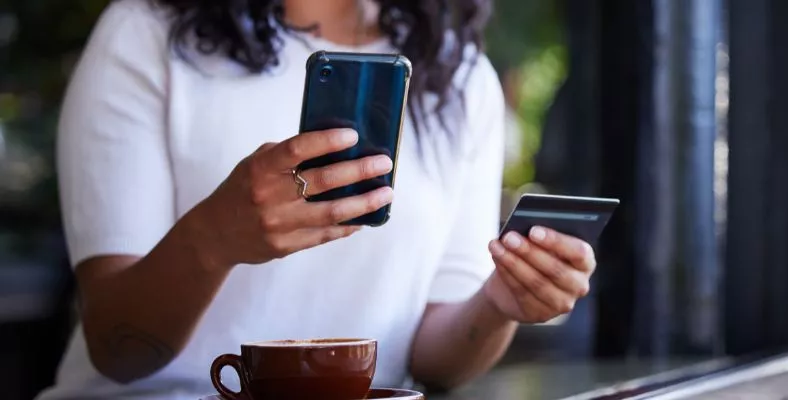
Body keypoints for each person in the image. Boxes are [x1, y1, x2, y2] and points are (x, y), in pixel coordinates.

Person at [37, 0, 597, 398]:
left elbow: (434, 360)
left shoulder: (459, 77)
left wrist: (500, 304)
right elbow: (118, 350)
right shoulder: (144, 33)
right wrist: (212, 238)